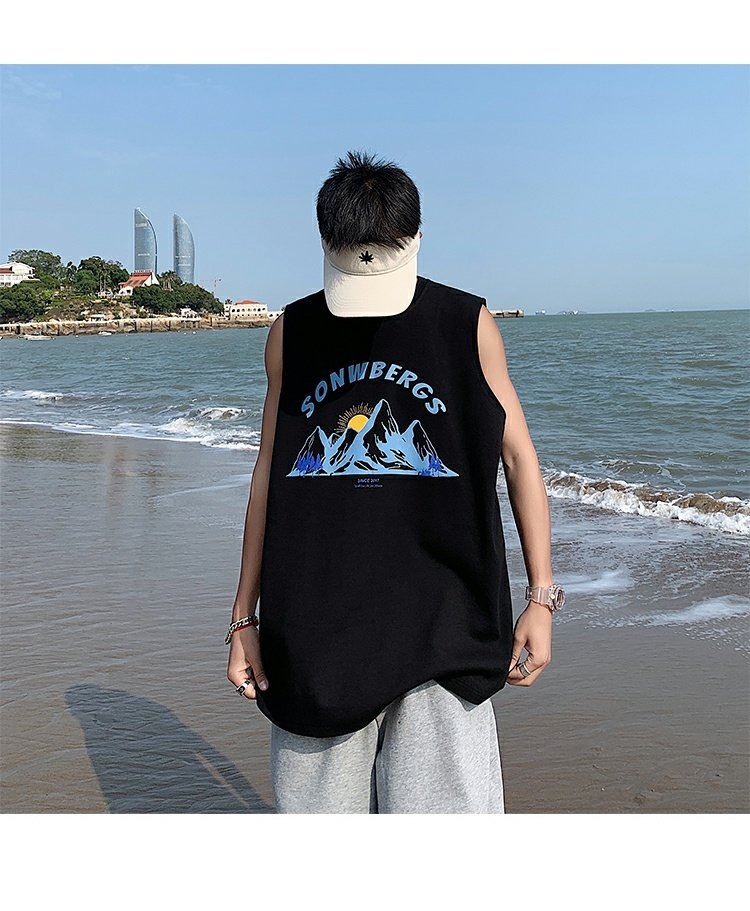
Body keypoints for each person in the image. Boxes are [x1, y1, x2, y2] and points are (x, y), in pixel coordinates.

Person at [225, 150, 564, 814]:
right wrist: (243, 617)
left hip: (445, 631)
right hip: (315, 637)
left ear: (416, 239)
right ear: (326, 243)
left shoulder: (465, 324)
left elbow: (520, 456)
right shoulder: (292, 332)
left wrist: (542, 598)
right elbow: (269, 473)